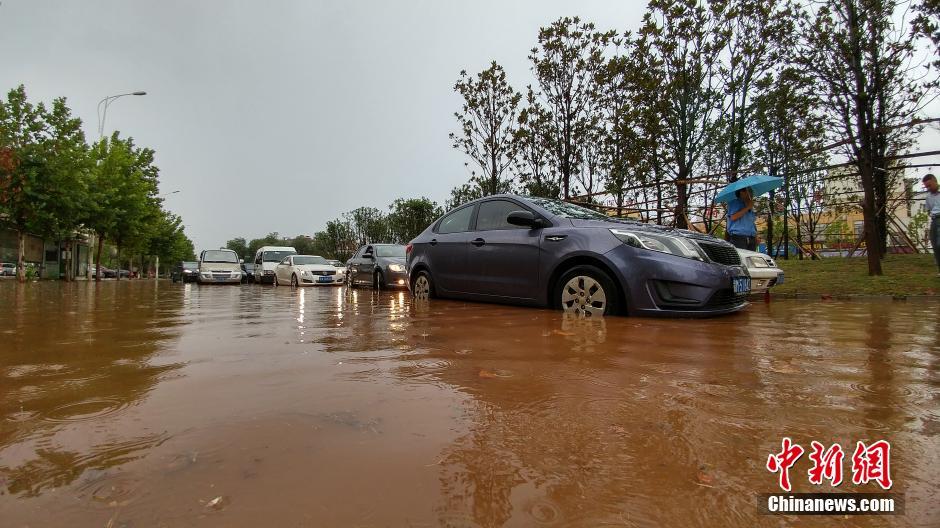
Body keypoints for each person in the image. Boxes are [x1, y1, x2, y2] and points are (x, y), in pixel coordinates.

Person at [923, 173, 940, 275]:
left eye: (929, 185)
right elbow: (929, 210)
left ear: (935, 181)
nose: (928, 188)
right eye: (926, 187)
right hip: (934, 220)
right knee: (935, 245)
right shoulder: (928, 197)